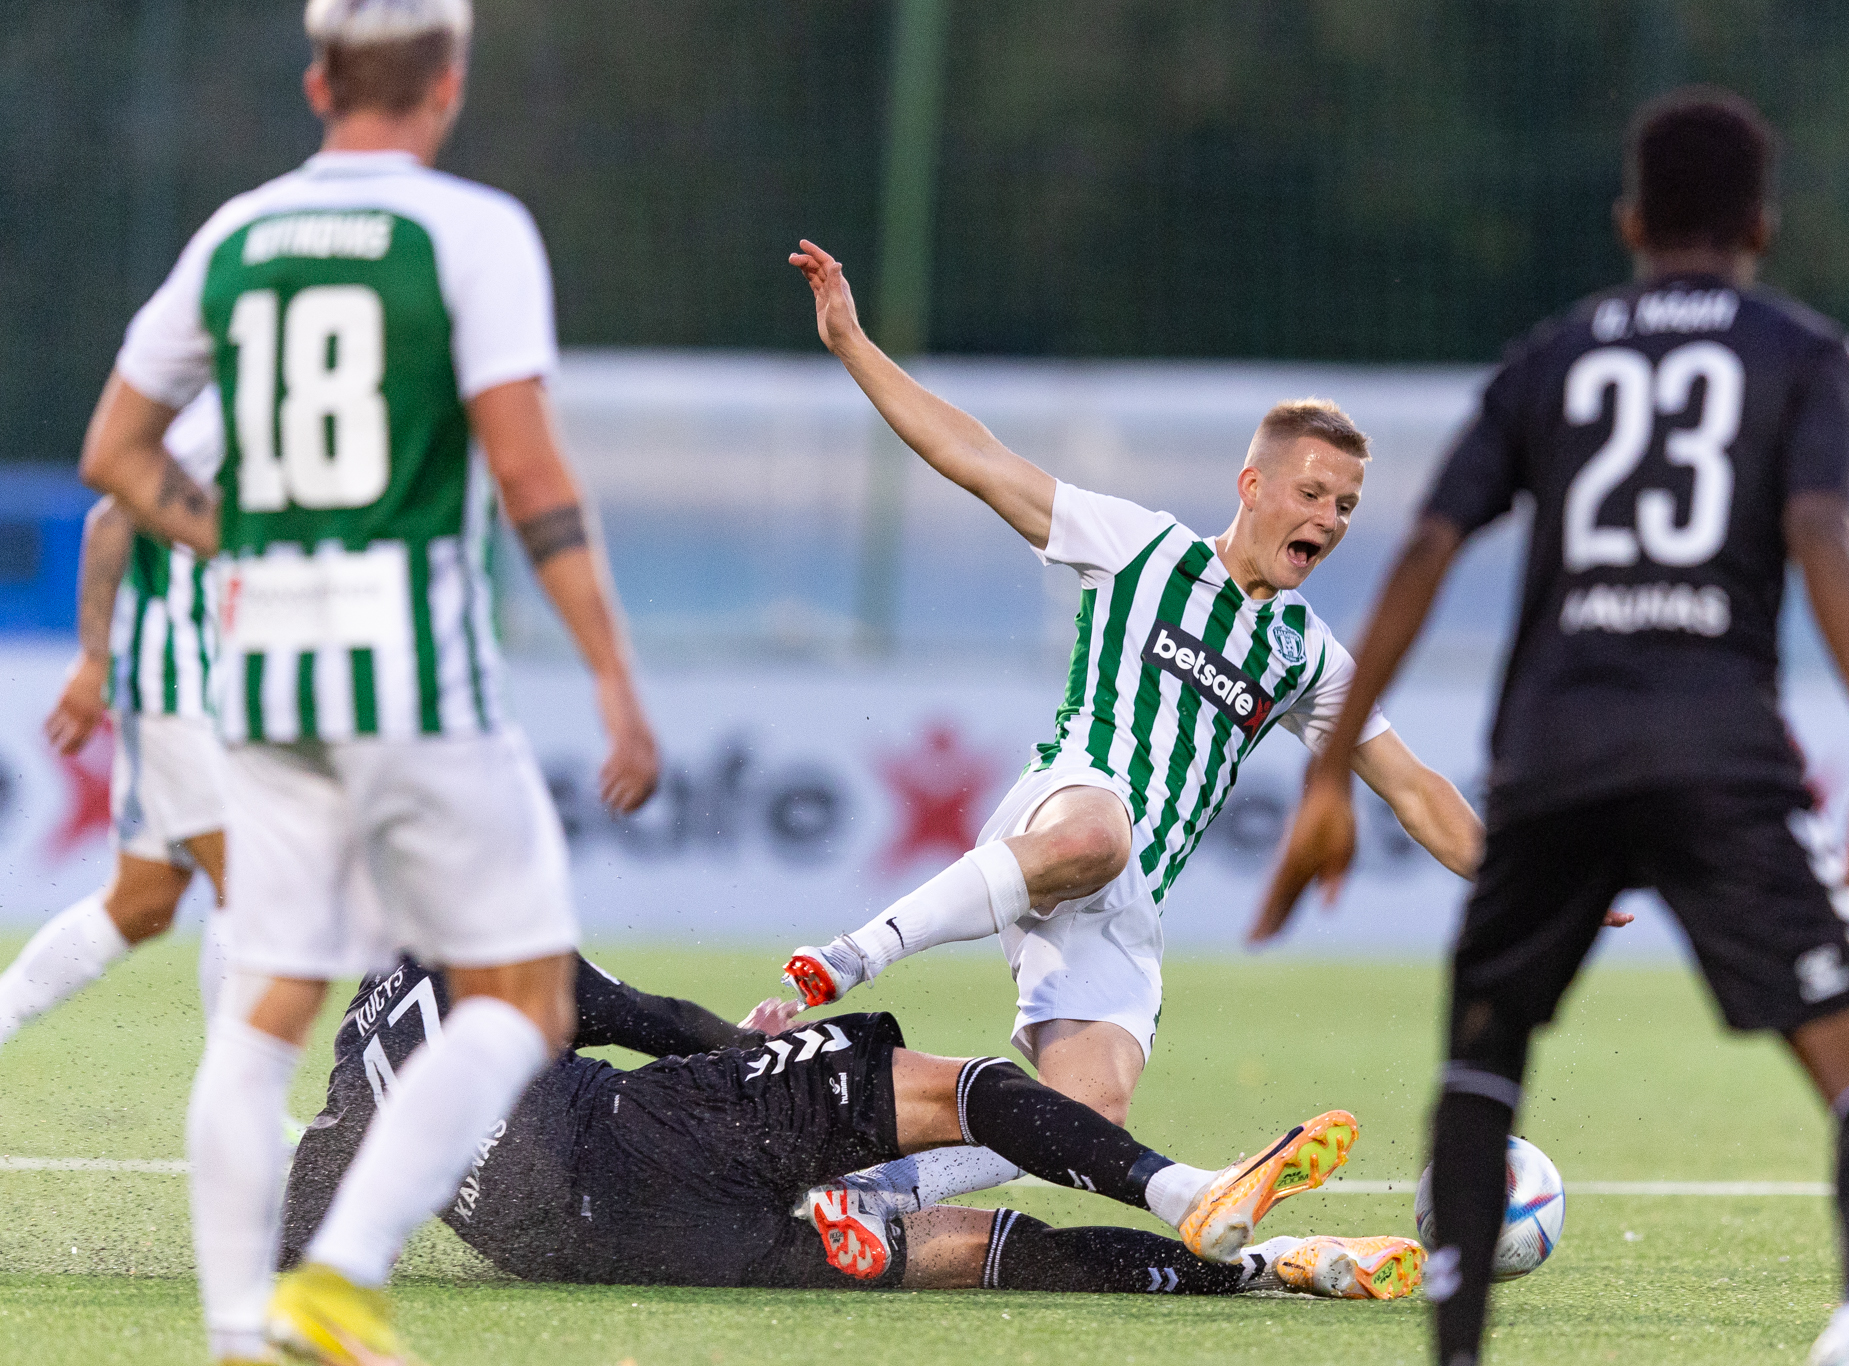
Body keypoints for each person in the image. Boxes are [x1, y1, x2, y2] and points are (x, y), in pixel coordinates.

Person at [1255, 89, 1849, 1366]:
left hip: (1552, 752)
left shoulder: (1546, 358)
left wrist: (1331, 772)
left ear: (1627, 220)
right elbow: (1820, 533)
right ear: (1760, 229)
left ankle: (1455, 1352)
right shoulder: (1802, 351)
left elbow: (1427, 548)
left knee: (1483, 1057)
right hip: (1714, 746)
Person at [76, 3, 661, 1361]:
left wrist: (245, 538)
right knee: (523, 997)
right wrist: (614, 673)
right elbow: (526, 472)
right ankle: (336, 1278)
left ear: (317, 79)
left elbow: (116, 450)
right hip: (414, 676)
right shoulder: (475, 232)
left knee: (268, 1007)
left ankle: (239, 1331)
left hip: (267, 677)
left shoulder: (235, 236)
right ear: (447, 86)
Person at [777, 238, 1494, 1211]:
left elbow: (1412, 787)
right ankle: (855, 952)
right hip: (1066, 807)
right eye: (1312, 493)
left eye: (1346, 506)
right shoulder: (1139, 548)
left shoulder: (1302, 652)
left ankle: (871, 1195)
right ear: (1252, 487)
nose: (1328, 519)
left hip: (1123, 898)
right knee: (1099, 833)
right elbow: (976, 459)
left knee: (1087, 1113)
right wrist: (853, 343)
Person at [280, 953, 1420, 1303]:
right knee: (950, 1085)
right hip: (640, 1136)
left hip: (635, 1253)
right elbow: (653, 1021)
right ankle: (1189, 1196)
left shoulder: (346, 1087)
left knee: (953, 1256)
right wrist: (748, 1052)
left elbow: (306, 1207)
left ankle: (1263, 1275)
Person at [1, 392, 232, 1045]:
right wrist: (95, 661)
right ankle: (238, 1111)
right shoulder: (228, 410)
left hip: (210, 687)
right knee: (248, 884)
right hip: (181, 683)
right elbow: (113, 514)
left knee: (143, 900)